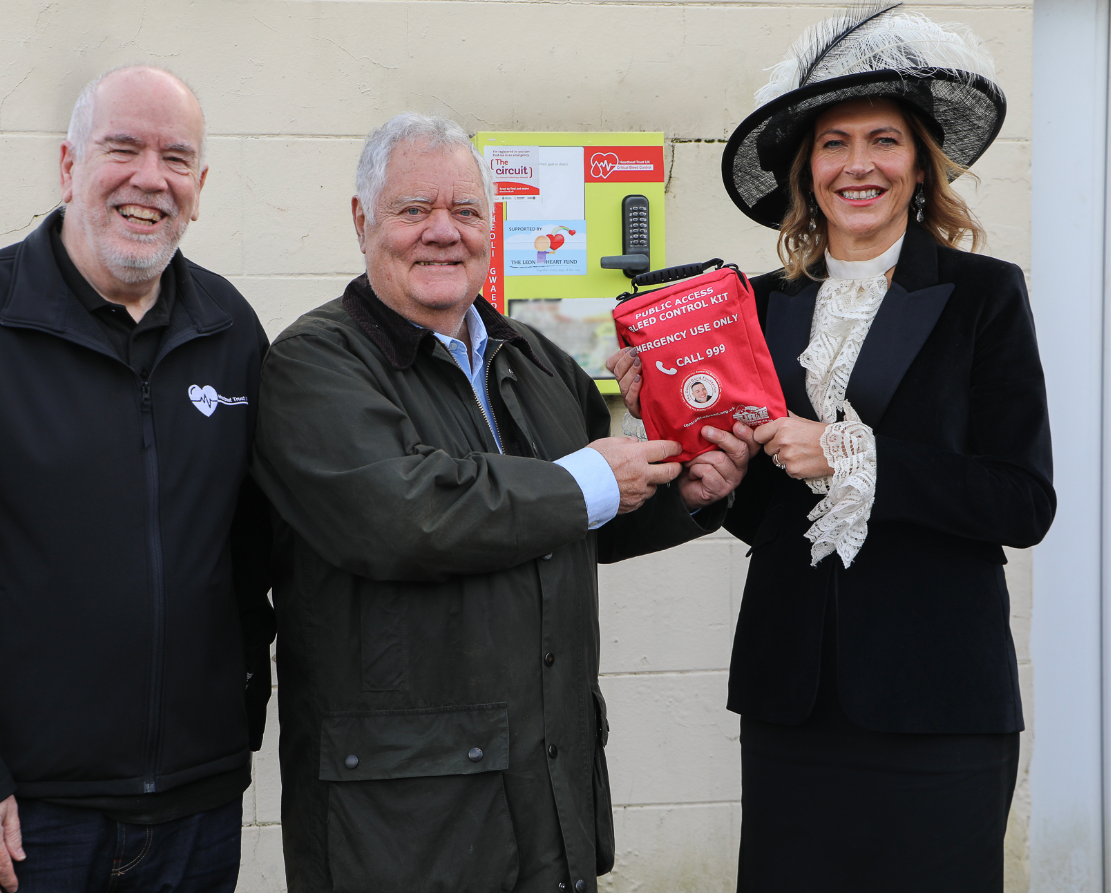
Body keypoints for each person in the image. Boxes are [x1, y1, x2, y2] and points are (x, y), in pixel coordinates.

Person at [250, 113, 753, 893]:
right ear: (362, 220)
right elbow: (401, 515)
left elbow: (578, 519)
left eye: (466, 211)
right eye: (413, 209)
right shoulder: (312, 364)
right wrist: (588, 480)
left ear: (493, 225)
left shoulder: (533, 357)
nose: (442, 233)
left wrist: (680, 494)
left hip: (544, 794)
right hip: (404, 823)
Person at [615, 3, 1055, 891]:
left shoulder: (983, 296)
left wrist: (857, 455)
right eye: (832, 143)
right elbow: (769, 515)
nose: (858, 164)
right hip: (794, 699)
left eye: (883, 141)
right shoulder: (754, 305)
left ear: (920, 165)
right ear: (804, 173)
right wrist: (701, 457)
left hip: (938, 699)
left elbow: (1020, 501)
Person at [0, 65, 275, 893]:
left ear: (200, 185)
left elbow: (260, 545)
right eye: (123, 147)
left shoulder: (230, 332)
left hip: (192, 819)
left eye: (176, 157)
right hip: (10, 822)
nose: (149, 178)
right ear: (69, 164)